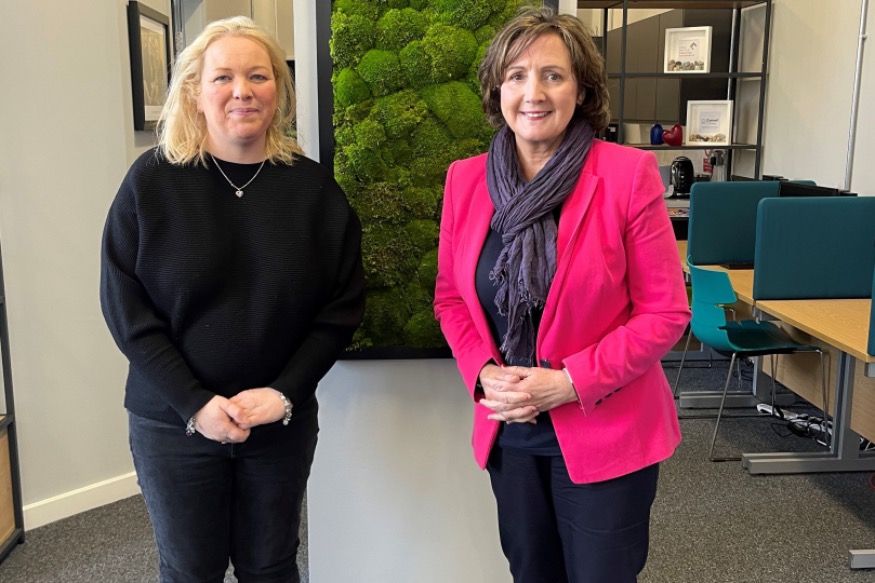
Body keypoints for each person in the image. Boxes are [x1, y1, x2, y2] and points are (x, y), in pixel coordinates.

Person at [100, 16, 364, 583]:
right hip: (173, 422)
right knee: (190, 570)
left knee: (270, 567)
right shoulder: (150, 183)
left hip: (278, 424)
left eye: (257, 76)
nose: (242, 91)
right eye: (223, 77)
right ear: (195, 93)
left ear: (278, 90)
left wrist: (284, 394)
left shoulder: (315, 191)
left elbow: (339, 310)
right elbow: (127, 312)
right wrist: (195, 404)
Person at [434, 7, 690, 583]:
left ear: (582, 89)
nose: (534, 93)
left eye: (553, 75)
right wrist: (484, 375)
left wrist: (570, 381)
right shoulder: (465, 180)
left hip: (607, 427)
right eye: (517, 75)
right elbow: (451, 300)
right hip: (512, 431)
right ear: (498, 89)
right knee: (531, 572)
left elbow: (665, 312)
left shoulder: (627, 175)